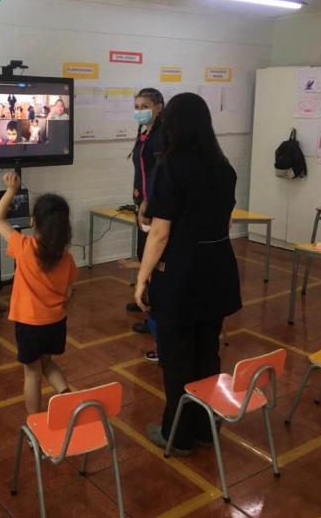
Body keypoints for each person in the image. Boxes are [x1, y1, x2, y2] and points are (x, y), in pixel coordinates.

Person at [134, 92, 242, 454]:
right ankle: (204, 428)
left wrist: (141, 278)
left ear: (174, 125)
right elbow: (225, 220)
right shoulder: (224, 167)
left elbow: (160, 232)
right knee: (207, 353)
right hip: (218, 268)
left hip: (181, 272)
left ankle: (175, 434)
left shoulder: (172, 166)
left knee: (177, 357)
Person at [0, 172, 79, 413]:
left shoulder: (24, 247)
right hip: (55, 323)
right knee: (47, 363)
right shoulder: (68, 259)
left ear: (33, 223)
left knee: (32, 374)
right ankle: (66, 395)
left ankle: (35, 425)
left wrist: (10, 191)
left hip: (29, 325)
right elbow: (70, 294)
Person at [127, 88, 165, 361]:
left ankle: (153, 313)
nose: (140, 109)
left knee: (152, 262)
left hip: (151, 207)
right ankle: (146, 302)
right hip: (141, 204)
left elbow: (159, 174)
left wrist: (148, 203)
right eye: (137, 105)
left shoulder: (162, 135)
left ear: (159, 107)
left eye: (145, 105)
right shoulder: (144, 132)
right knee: (144, 256)